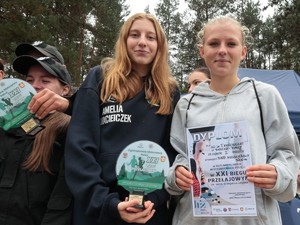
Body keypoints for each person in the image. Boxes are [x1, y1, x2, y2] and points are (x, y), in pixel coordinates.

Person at [164, 15, 300, 225]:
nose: (222, 50)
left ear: (243, 52)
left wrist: (278, 174)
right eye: (214, 43)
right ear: (202, 51)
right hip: (195, 218)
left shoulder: (264, 95)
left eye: (231, 44)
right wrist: (177, 175)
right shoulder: (187, 104)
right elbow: (179, 156)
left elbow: (287, 151)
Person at [64, 13, 180, 225]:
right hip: (99, 208)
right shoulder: (101, 78)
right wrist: (104, 202)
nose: (142, 42)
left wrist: (153, 199)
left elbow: (173, 151)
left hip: (149, 211)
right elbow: (79, 147)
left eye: (150, 37)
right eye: (135, 35)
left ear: (160, 45)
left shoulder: (170, 91)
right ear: (124, 40)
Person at [0, 55, 73, 225]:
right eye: (29, 79)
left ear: (65, 90)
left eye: (45, 81)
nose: (34, 86)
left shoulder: (68, 132)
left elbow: (60, 207)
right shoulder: (8, 126)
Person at [15, 41, 71, 120]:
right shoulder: (15, 118)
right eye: (30, 80)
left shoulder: (77, 117)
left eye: (43, 58)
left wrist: (68, 107)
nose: (34, 85)